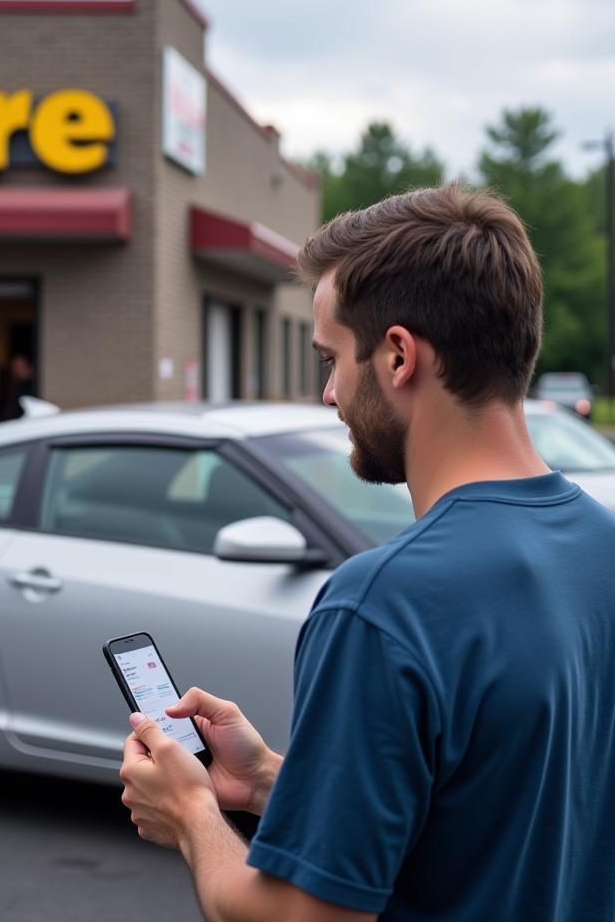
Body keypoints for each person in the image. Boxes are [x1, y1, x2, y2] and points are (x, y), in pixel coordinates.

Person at [119, 184, 615, 921]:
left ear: (397, 355)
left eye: (332, 359)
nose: (329, 394)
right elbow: (500, 813)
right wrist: (268, 784)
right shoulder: (601, 544)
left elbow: (302, 916)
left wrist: (191, 813)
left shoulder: (381, 604)